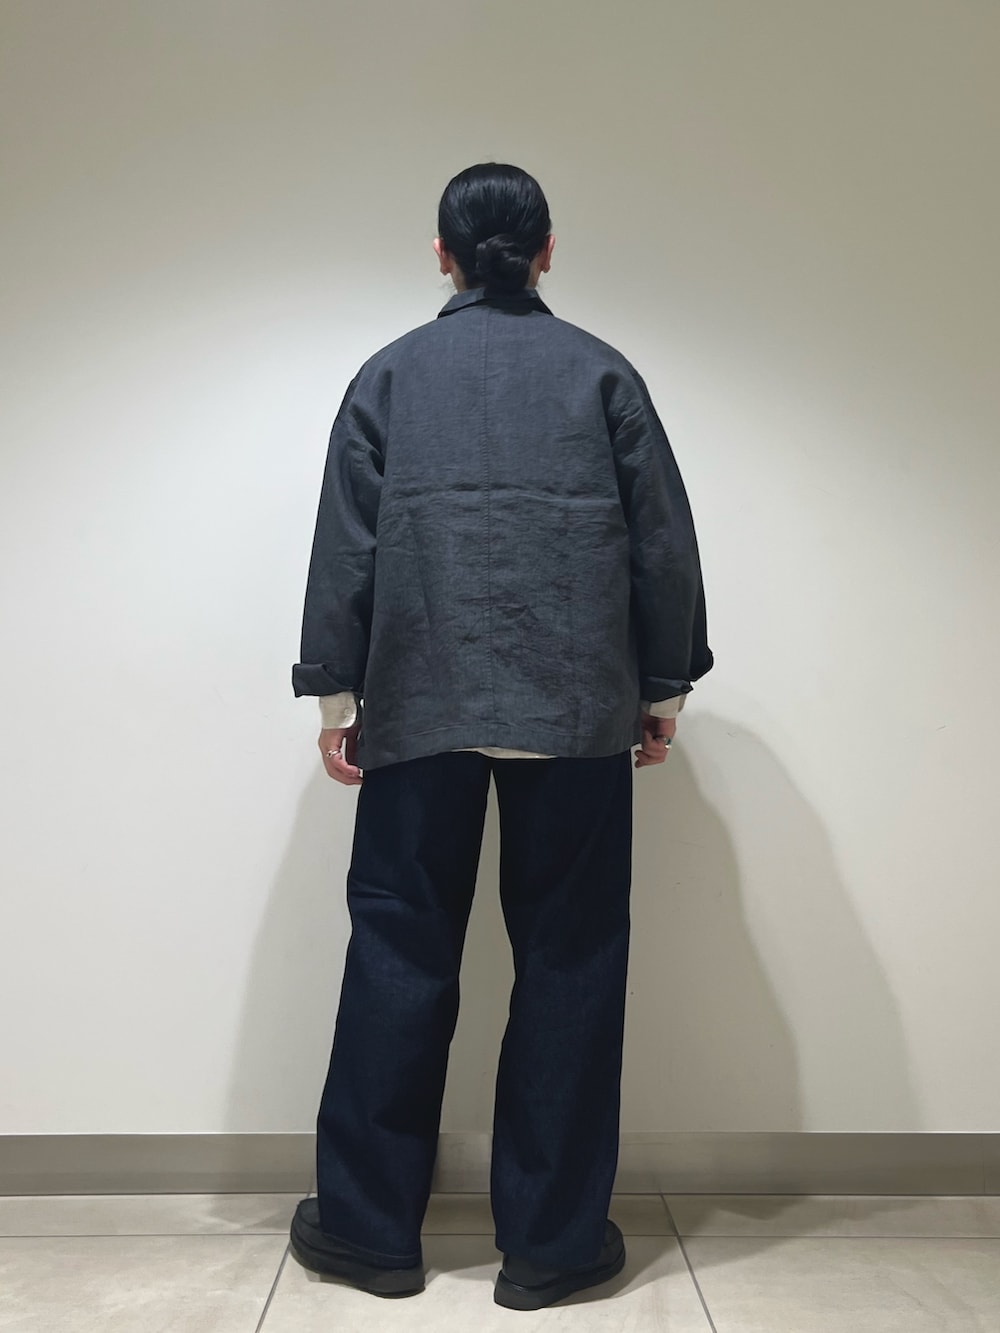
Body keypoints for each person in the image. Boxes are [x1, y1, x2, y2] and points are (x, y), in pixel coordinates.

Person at [287, 162, 714, 1311]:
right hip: (573, 717)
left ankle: (371, 1233)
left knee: (397, 954)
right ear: (546, 250)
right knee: (571, 961)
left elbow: (345, 546)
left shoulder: (388, 375)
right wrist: (662, 692)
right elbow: (662, 546)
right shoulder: (601, 373)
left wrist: (335, 698)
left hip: (419, 710)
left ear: (441, 255)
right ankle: (553, 1246)